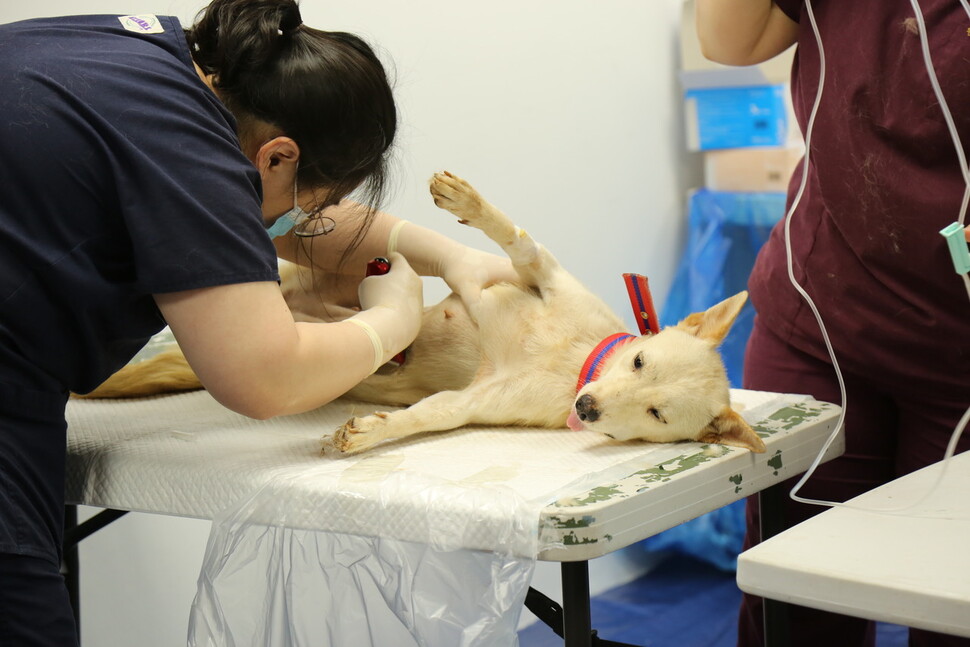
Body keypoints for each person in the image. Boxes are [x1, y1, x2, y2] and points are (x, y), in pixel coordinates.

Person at [0, 1, 513, 644]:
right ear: (277, 157)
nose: (290, 228)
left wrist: (452, 255)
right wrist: (392, 322)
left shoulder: (144, 57)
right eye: (313, 202)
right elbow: (265, 379)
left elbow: (278, 222)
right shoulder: (191, 151)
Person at [696, 1, 970, 646]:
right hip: (821, 314)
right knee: (796, 594)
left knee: (955, 608)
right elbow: (729, 39)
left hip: (959, 348)